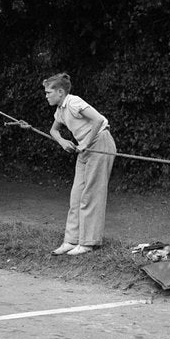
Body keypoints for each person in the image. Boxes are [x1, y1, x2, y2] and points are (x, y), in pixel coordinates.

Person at [44, 72, 116, 256]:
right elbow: (53, 130)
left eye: (48, 92)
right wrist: (62, 141)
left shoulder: (74, 102)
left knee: (91, 194)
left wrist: (85, 143)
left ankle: (88, 243)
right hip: (84, 150)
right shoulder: (60, 110)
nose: (46, 96)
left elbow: (98, 119)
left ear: (60, 92)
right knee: (76, 194)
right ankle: (71, 240)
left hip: (100, 143)